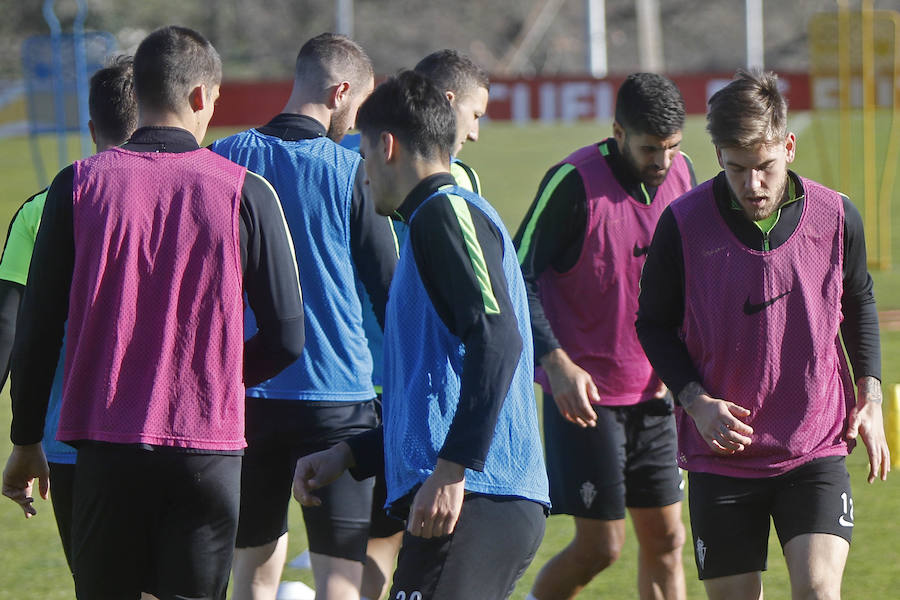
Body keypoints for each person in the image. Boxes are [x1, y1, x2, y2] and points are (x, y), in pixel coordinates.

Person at [1, 25, 305, 600]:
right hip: (206, 452)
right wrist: (216, 377)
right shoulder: (247, 191)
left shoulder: (76, 186)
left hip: (104, 446)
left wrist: (24, 440)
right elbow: (288, 336)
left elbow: (37, 329)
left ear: (137, 93)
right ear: (199, 98)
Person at [293, 70, 550, 600]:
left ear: (387, 146)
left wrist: (453, 469)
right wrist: (352, 453)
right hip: (464, 494)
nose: (362, 176)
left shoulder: (444, 213)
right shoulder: (429, 223)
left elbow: (498, 339)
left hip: (475, 496)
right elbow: (437, 382)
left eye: (363, 156)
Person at [636, 69, 890, 600]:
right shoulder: (682, 225)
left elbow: (858, 300)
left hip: (813, 445)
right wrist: (696, 402)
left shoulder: (837, 216)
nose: (753, 184)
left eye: (765, 167)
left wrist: (869, 394)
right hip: (723, 455)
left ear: (789, 147)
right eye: (737, 169)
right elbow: (653, 325)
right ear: (719, 159)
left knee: (820, 592)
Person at [209, 33, 396, 600]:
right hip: (336, 400)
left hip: (246, 394)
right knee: (340, 575)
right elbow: (390, 289)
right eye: (359, 105)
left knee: (253, 570)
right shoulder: (350, 172)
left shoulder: (222, 159)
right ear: (341, 92)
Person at [515, 73, 694, 600]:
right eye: (649, 148)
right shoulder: (571, 182)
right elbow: (516, 275)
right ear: (617, 131)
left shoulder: (684, 175)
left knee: (667, 538)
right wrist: (556, 361)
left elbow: (693, 277)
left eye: (672, 147)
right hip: (585, 401)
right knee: (601, 548)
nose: (662, 161)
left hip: (657, 394)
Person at [356, 47, 493, 600]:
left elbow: (487, 325)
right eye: (478, 115)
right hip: (389, 392)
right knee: (381, 544)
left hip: (420, 406)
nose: (476, 133)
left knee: (383, 544)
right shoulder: (414, 186)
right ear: (449, 102)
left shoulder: (452, 196)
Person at [0, 55, 137, 572]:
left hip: (73, 436)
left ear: (90, 126)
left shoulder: (43, 206)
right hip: (181, 434)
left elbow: (9, 324)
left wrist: (26, 436)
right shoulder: (205, 187)